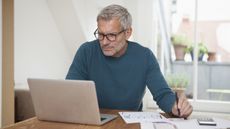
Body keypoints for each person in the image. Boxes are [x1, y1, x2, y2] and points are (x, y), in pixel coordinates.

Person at [66, 4, 193, 118]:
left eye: (111, 35)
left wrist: (176, 106)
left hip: (129, 123)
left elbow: (162, 94)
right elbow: (70, 90)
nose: (104, 42)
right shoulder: (86, 51)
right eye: (100, 34)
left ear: (127, 33)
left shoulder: (145, 56)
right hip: (93, 120)